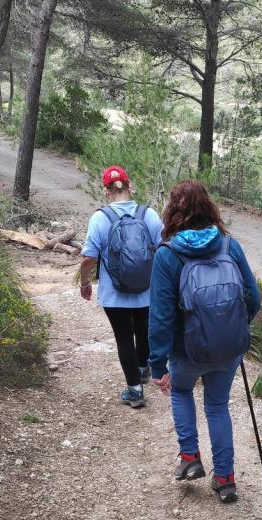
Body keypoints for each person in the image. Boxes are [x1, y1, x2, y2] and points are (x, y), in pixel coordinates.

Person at [149, 180, 261, 503]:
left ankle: (190, 457)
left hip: (187, 351)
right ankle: (225, 479)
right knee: (217, 405)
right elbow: (253, 299)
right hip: (228, 350)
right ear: (209, 207)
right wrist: (232, 328)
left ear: (172, 212)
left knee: (181, 390)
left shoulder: (167, 255)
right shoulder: (229, 245)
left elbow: (160, 318)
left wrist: (157, 363)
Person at [79, 166, 163, 409]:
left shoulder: (100, 218)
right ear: (130, 186)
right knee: (143, 330)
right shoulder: (149, 214)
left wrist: (85, 283)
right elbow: (164, 248)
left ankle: (135, 391)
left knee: (124, 338)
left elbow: (88, 258)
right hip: (146, 290)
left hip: (114, 294)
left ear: (106, 191)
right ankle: (143, 367)